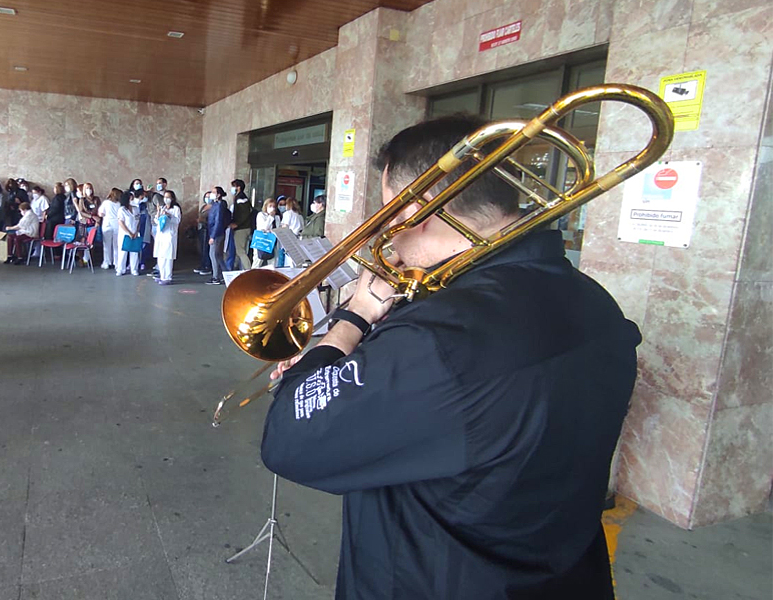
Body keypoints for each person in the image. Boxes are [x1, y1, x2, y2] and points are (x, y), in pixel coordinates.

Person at [260, 115, 639, 600]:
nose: (386, 227)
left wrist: (354, 320)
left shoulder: (439, 337)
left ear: (416, 207)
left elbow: (289, 439)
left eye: (387, 208)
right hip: (559, 573)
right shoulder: (595, 301)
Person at [152, 190, 181, 285]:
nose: (166, 199)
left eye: (168, 197)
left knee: (167, 256)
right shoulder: (163, 207)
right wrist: (158, 214)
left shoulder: (175, 208)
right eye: (165, 197)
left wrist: (169, 215)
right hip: (161, 235)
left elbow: (177, 220)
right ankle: (162, 275)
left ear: (172, 198)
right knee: (160, 256)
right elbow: (157, 221)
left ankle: (167, 277)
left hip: (170, 235)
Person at [206, 186, 232, 285]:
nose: (211, 193)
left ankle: (216, 277)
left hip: (216, 233)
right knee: (218, 255)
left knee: (213, 254)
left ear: (219, 194)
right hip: (216, 232)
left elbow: (218, 221)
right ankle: (226, 274)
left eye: (213, 192)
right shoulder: (215, 204)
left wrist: (213, 236)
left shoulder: (220, 206)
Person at [116, 192, 141, 276]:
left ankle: (134, 269)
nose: (132, 200)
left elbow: (138, 221)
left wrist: (136, 231)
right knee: (123, 252)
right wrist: (129, 232)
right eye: (131, 198)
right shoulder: (122, 210)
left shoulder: (136, 209)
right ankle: (120, 269)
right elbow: (121, 222)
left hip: (135, 233)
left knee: (134, 252)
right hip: (125, 234)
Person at [228, 179, 252, 270]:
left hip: (242, 228)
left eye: (234, 186)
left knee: (240, 251)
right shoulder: (239, 197)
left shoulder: (241, 198)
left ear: (239, 187)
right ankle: (239, 268)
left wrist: (237, 224)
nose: (232, 188)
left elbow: (244, 213)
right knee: (240, 251)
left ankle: (248, 269)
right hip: (242, 227)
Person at [251, 197, 279, 269]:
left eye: (273, 206)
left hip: (272, 242)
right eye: (270, 206)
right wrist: (270, 217)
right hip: (261, 241)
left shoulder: (277, 217)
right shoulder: (261, 215)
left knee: (272, 264)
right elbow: (263, 227)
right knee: (257, 262)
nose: (272, 208)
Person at [193, 190, 216, 275]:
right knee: (202, 247)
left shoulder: (214, 207)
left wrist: (203, 220)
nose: (207, 198)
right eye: (206, 197)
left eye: (209, 197)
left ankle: (207, 265)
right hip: (201, 228)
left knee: (206, 248)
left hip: (207, 229)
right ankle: (202, 264)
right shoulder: (204, 206)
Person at [98, 189, 122, 270]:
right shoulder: (119, 204)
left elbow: (100, 213)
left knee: (107, 245)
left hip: (107, 225)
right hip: (117, 225)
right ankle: (117, 263)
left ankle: (107, 262)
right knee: (117, 245)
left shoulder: (106, 203)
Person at [279, 195, 305, 267]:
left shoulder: (288, 213)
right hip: (297, 238)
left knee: (286, 259)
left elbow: (285, 226)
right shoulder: (300, 215)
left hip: (289, 237)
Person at [44, 182, 67, 250]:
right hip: (59, 218)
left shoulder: (57, 198)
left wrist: (48, 215)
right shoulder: (63, 197)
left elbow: (55, 208)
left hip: (54, 220)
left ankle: (54, 252)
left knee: (52, 236)